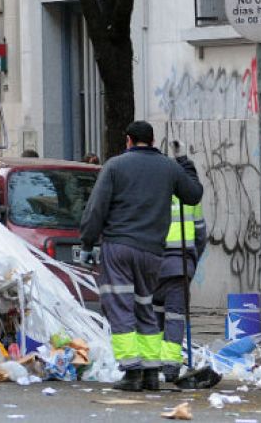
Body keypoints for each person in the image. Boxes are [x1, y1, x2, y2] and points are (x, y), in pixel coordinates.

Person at [80, 121, 202, 392]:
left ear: (128, 140)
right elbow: (193, 195)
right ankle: (150, 371)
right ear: (153, 140)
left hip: (119, 247)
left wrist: (88, 242)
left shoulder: (115, 166)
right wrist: (184, 161)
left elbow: (97, 207)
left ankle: (132, 371)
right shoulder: (169, 167)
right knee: (144, 306)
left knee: (120, 306)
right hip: (152, 252)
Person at [155, 142, 208, 383]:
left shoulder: (155, 192)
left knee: (153, 314)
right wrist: (192, 263)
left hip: (154, 263)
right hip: (180, 265)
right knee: (175, 316)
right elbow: (200, 235)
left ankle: (152, 363)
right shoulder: (191, 199)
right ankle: (171, 367)